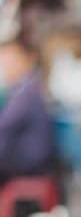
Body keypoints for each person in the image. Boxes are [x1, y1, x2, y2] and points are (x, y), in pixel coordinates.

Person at [0, 36, 55, 184]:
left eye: (9, 60)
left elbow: (4, 126)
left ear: (26, 59)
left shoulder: (27, 93)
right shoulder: (19, 89)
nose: (5, 67)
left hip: (27, 169)